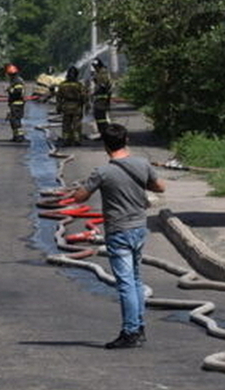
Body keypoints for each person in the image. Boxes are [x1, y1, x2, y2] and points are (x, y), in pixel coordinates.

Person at [66, 122, 165, 349]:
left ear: (105, 146)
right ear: (126, 140)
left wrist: (81, 187)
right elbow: (160, 187)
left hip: (118, 231)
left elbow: (79, 198)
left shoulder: (103, 172)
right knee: (136, 280)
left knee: (126, 284)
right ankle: (138, 328)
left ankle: (130, 331)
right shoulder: (142, 163)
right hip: (140, 229)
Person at [55, 66, 88, 147]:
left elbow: (59, 97)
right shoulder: (79, 85)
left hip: (66, 107)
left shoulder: (62, 85)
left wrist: (58, 107)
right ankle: (77, 140)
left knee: (66, 124)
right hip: (77, 107)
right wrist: (87, 105)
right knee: (77, 124)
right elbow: (84, 97)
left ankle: (66, 140)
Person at [89, 57, 113, 137]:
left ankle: (104, 133)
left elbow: (104, 85)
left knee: (101, 117)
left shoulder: (103, 72)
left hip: (102, 99)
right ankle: (103, 133)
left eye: (95, 66)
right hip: (99, 99)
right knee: (99, 117)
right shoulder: (99, 72)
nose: (94, 68)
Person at [5, 64, 27, 142]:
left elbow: (18, 92)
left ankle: (19, 136)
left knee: (15, 120)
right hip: (15, 103)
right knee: (13, 120)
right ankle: (16, 136)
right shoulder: (15, 80)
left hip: (17, 103)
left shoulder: (17, 81)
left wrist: (9, 90)